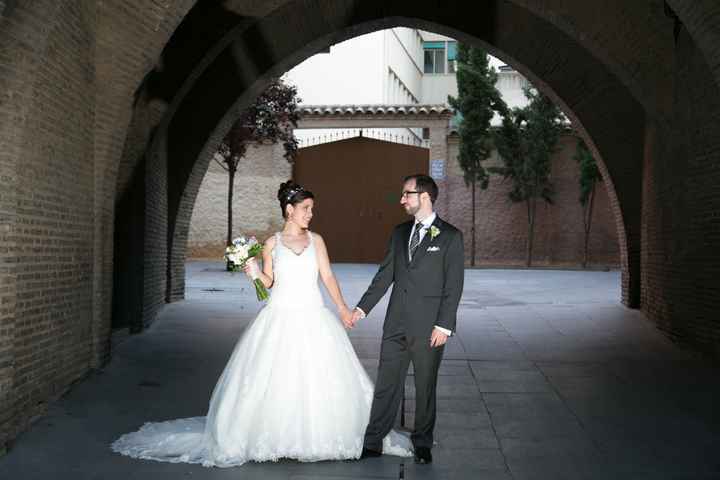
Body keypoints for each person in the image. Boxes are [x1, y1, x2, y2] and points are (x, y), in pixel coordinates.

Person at [111, 181, 411, 467]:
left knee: (317, 378)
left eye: (312, 209)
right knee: (271, 380)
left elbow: (328, 277)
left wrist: (344, 309)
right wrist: (253, 271)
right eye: (306, 208)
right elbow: (268, 283)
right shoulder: (272, 244)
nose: (310, 213)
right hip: (279, 316)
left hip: (313, 316)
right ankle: (270, 438)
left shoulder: (317, 241)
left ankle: (317, 438)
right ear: (289, 210)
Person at [352, 174, 464, 465]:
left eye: (407, 194)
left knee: (425, 387)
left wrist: (444, 326)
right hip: (395, 325)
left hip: (429, 329)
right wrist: (361, 309)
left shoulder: (451, 236)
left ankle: (423, 443)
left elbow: (453, 286)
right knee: (386, 385)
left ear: (424, 196)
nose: (402, 200)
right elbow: (384, 275)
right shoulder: (400, 232)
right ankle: (373, 441)